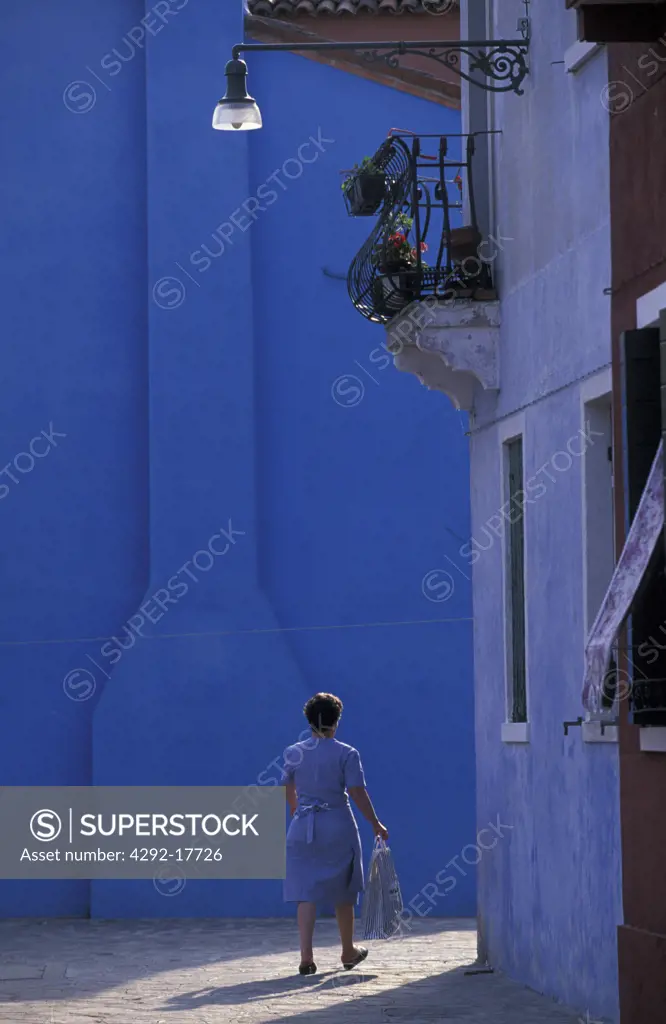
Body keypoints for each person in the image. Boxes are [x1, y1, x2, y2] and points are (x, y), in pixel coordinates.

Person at [281, 692, 389, 976]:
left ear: (309, 720)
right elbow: (356, 792)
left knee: (305, 891)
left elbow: (287, 788)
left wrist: (296, 809)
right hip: (337, 824)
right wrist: (375, 823)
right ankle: (347, 951)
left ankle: (306, 956)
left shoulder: (294, 752)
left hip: (303, 825)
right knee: (345, 888)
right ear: (336, 721)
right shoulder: (347, 753)